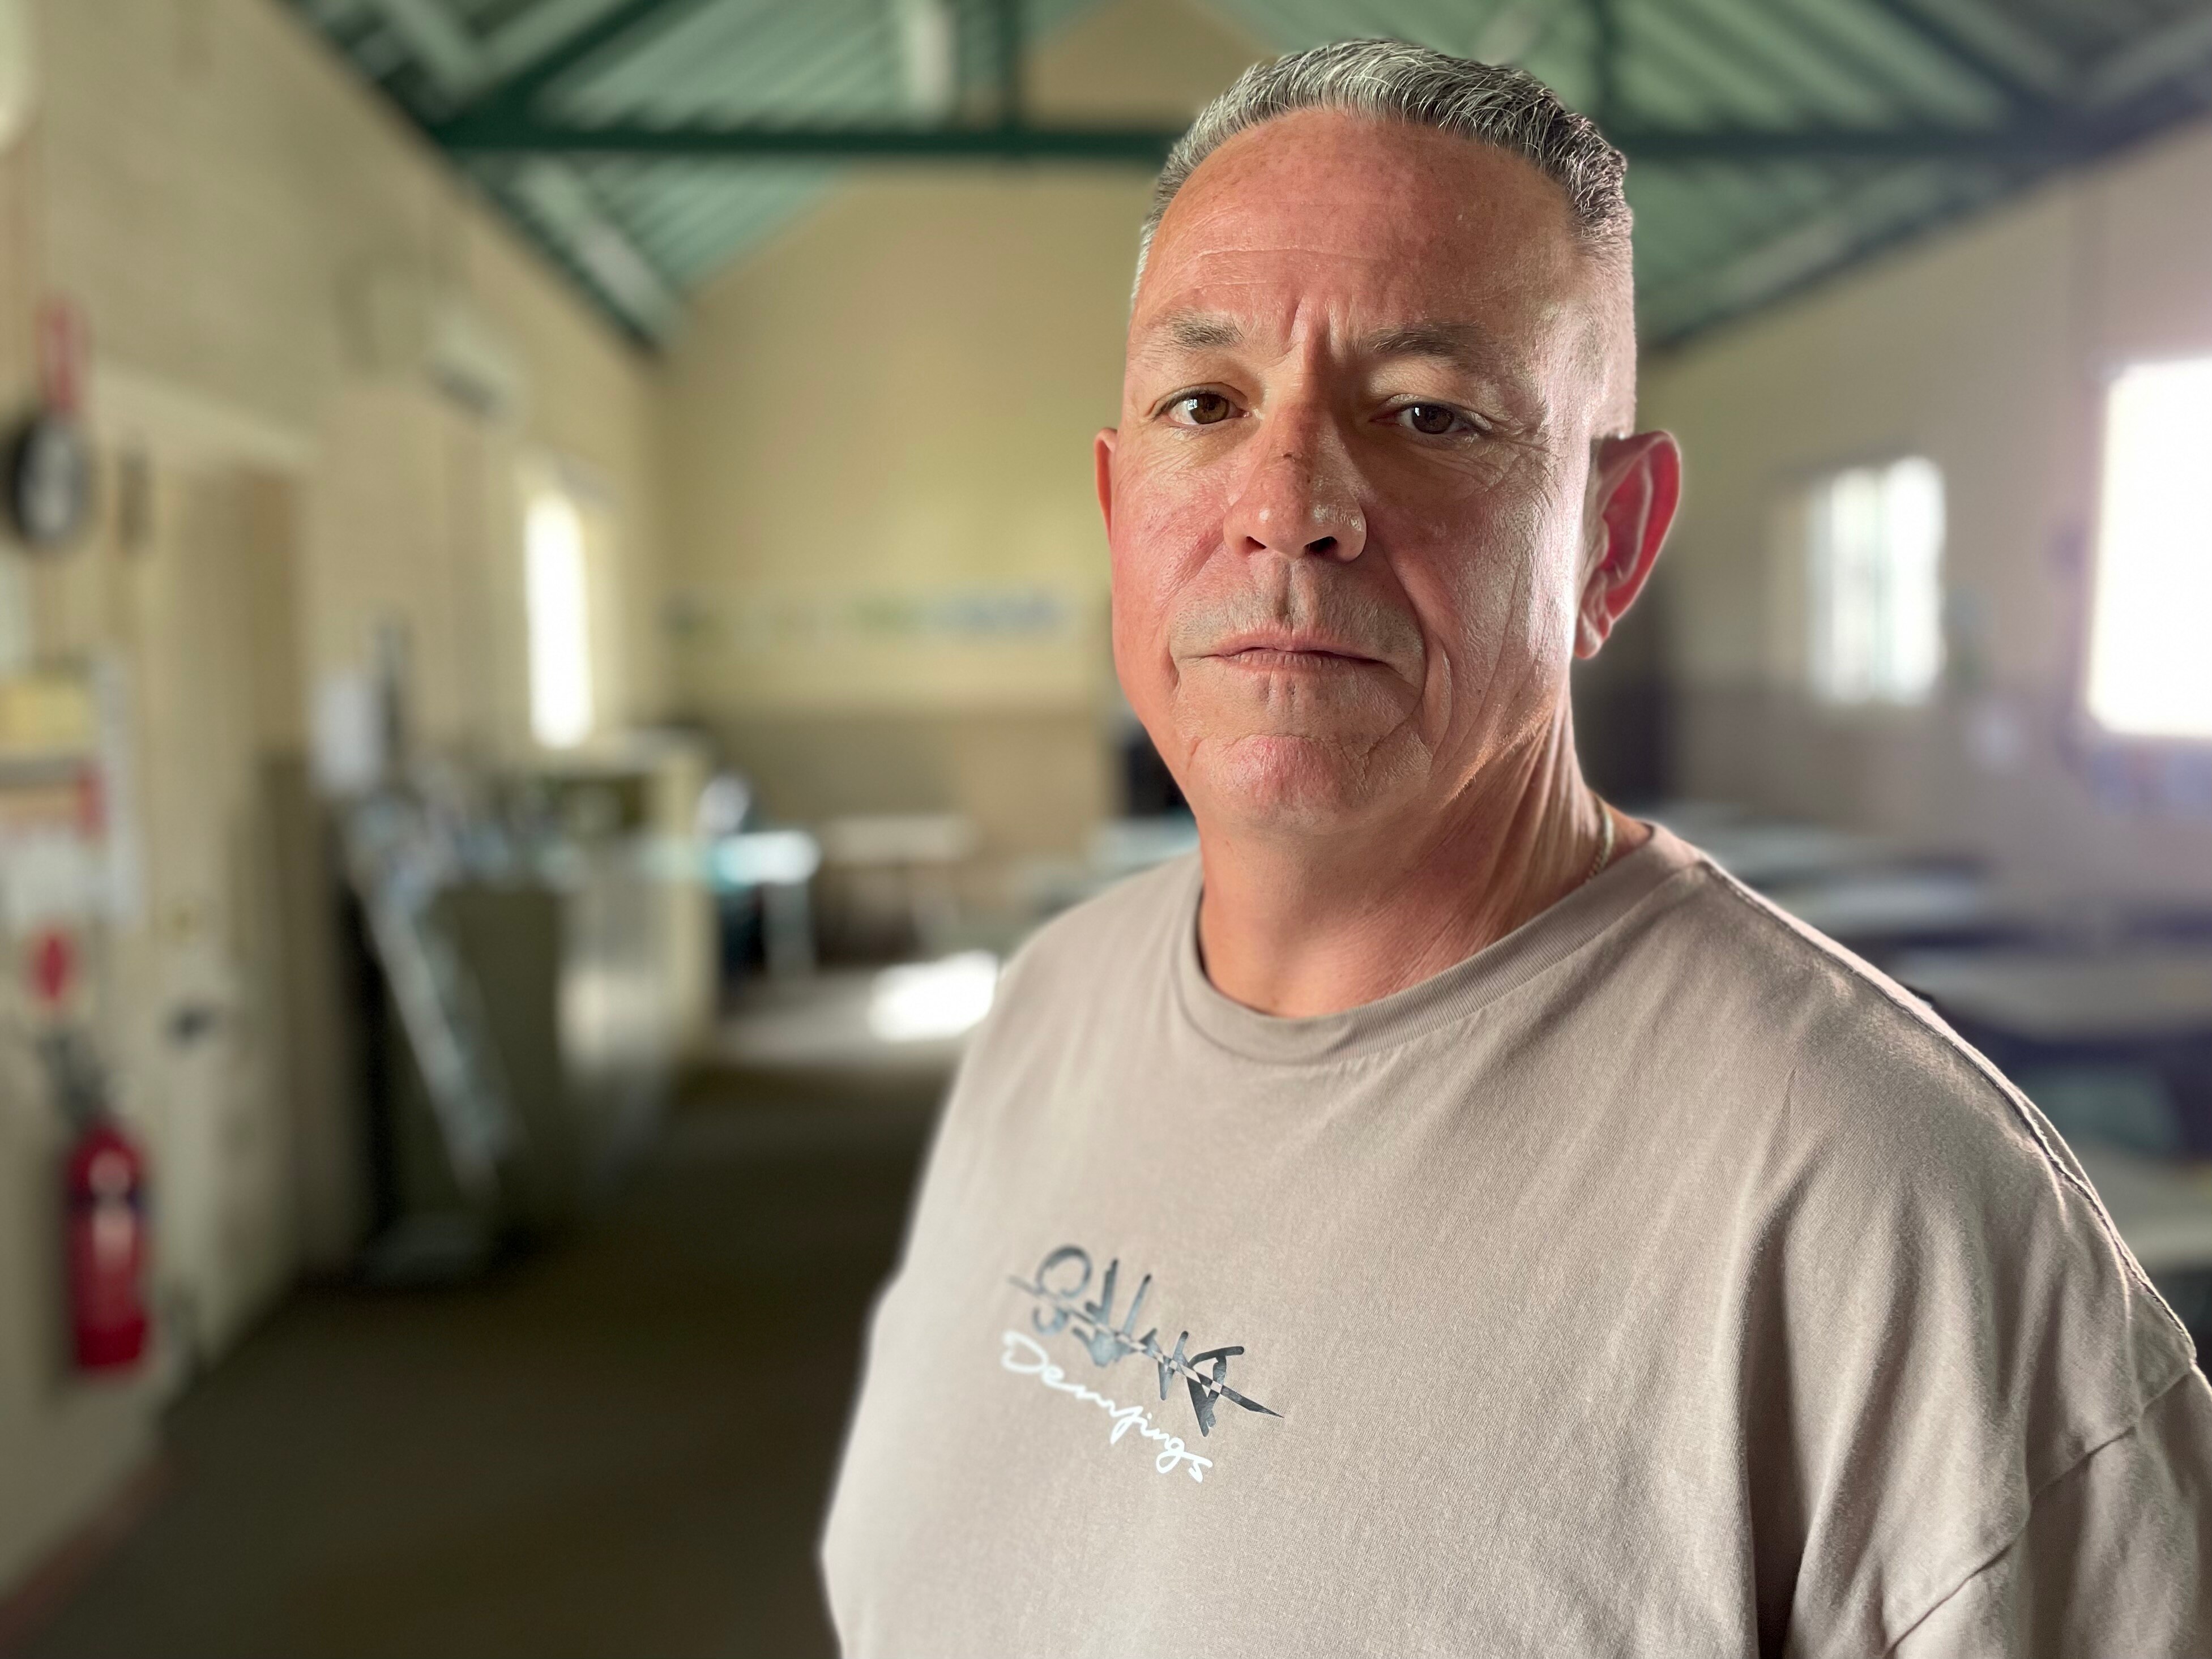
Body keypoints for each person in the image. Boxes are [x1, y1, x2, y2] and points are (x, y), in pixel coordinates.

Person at [821, 40, 2212, 1657]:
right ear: (1120, 502)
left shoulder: (1881, 1220)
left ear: (1607, 542)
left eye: (1430, 412)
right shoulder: (1048, 1014)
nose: (1287, 503)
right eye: (1206, 402)